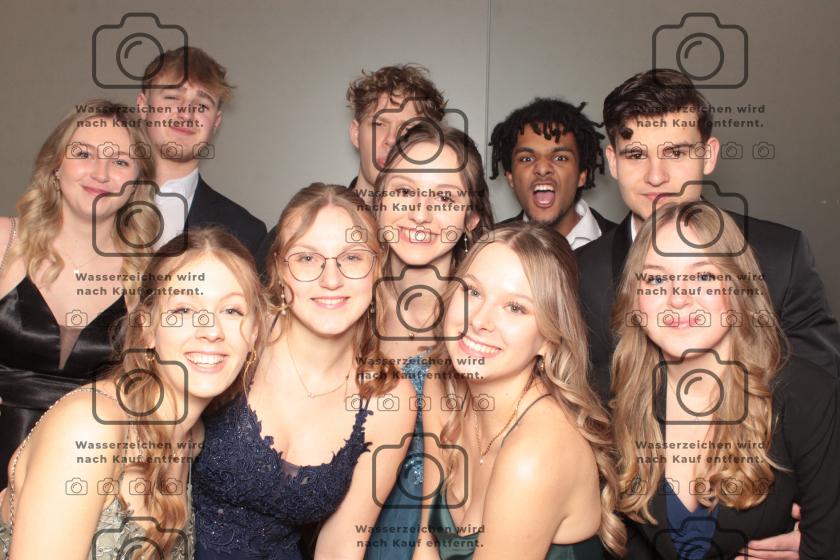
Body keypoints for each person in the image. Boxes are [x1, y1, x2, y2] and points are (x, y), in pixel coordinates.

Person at [577, 69, 840, 403]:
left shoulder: (780, 257)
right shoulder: (579, 273)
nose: (656, 176)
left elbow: (819, 395)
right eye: (636, 155)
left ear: (709, 155)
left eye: (675, 153)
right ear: (613, 162)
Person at [0, 228, 265, 558]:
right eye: (183, 310)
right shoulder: (91, 427)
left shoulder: (192, 437)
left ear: (254, 333)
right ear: (146, 327)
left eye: (232, 311)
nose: (211, 330)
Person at [192, 184, 415, 559]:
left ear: (378, 268)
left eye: (352, 257)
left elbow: (342, 545)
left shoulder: (388, 398)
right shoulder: (237, 337)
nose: (331, 279)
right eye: (308, 258)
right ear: (280, 267)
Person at [610, 202, 840, 558]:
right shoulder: (612, 397)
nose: (678, 298)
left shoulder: (805, 395)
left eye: (702, 277)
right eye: (656, 279)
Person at [417, 222, 625, 559]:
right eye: (473, 291)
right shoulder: (441, 384)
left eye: (515, 308)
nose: (480, 320)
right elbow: (426, 543)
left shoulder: (536, 452)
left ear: (549, 338)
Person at [0, 99, 159, 488]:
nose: (100, 173)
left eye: (119, 161)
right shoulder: (4, 241)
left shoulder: (149, 277)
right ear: (56, 164)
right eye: (84, 154)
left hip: (83, 482)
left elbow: (149, 400)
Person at [362, 122, 494, 558]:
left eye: (444, 198)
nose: (420, 213)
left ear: (471, 218)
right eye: (404, 192)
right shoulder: (341, 307)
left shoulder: (488, 329)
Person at [255, 64, 447, 274]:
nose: (392, 139)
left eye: (408, 128)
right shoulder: (298, 229)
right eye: (379, 124)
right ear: (356, 133)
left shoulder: (444, 239)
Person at [137, 46, 266, 256]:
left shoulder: (247, 233)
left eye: (202, 106)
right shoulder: (95, 198)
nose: (186, 114)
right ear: (143, 106)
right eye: (172, 98)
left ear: (216, 122)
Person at [489, 98, 615, 248]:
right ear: (510, 176)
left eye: (560, 158)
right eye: (527, 158)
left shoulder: (627, 246)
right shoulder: (488, 247)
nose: (542, 169)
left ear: (582, 175)